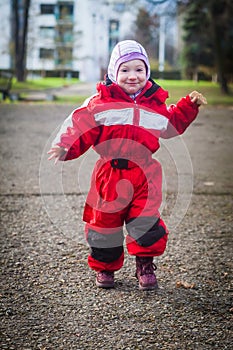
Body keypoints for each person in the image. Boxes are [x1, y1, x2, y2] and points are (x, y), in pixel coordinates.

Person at [48, 40, 207, 290]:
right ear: (113, 72)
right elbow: (82, 128)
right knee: (104, 223)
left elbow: (170, 124)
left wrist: (188, 106)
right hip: (109, 173)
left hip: (145, 173)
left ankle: (144, 263)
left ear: (147, 73)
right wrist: (66, 146)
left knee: (145, 220)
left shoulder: (153, 103)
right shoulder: (100, 104)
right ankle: (105, 268)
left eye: (139, 70)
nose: (132, 76)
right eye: (125, 70)